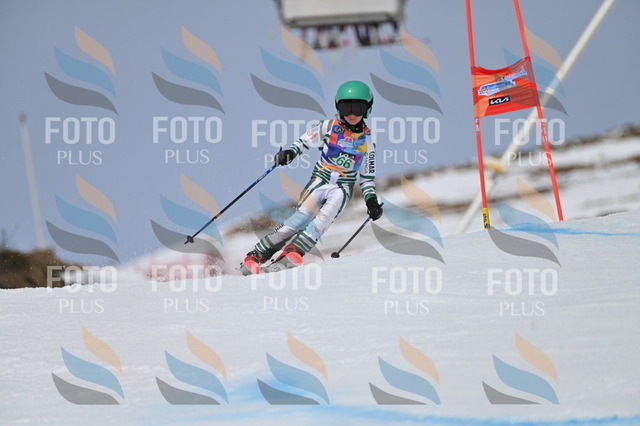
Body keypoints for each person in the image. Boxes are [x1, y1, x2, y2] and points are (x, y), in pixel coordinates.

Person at [241, 80, 383, 274]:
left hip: (342, 188)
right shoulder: (328, 127)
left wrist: (371, 201)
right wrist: (289, 153)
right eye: (346, 108)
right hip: (320, 180)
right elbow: (304, 142)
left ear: (367, 109)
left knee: (321, 222)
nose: (351, 114)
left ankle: (292, 254)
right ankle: (256, 256)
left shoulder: (368, 142)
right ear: (338, 108)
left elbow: (367, 178)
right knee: (300, 219)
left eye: (357, 108)